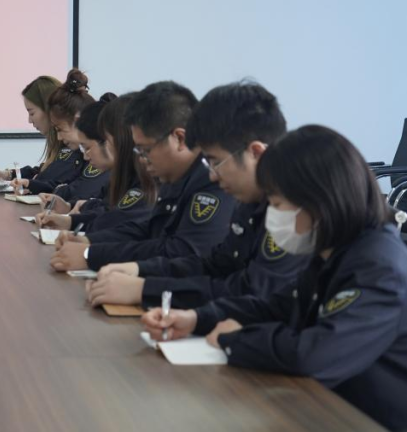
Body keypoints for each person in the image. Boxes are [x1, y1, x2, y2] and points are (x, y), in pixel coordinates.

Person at [142, 125, 407, 430]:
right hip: (323, 406)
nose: (273, 217)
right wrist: (196, 319)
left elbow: (316, 354)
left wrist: (233, 340)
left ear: (319, 202)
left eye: (278, 205)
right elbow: (277, 305)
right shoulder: (338, 249)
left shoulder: (379, 266)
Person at [87, 82, 307, 309]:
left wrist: (145, 289)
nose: (212, 175)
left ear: (255, 153)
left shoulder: (294, 211)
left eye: (215, 162)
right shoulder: (249, 201)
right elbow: (215, 265)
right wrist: (138, 270)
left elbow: (252, 293)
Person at [50, 81, 236, 272]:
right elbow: (149, 229)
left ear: (179, 139)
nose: (141, 158)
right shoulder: (175, 174)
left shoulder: (212, 180)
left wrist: (91, 255)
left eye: (145, 150)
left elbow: (183, 252)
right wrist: (88, 241)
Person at [37, 93, 154, 233]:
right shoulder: (124, 175)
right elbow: (108, 210)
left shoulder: (148, 180)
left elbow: (119, 222)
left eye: (87, 148)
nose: (85, 156)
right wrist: (70, 216)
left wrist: (81, 234)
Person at [0, 75, 82, 193]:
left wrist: (30, 183)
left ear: (48, 110)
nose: (29, 120)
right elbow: (43, 171)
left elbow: (49, 181)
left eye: (32, 113)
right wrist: (9, 174)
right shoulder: (61, 149)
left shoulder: (73, 150)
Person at [31, 70, 110, 202]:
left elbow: (84, 192)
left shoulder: (100, 156)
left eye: (60, 129)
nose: (59, 138)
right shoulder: (83, 153)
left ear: (77, 121)